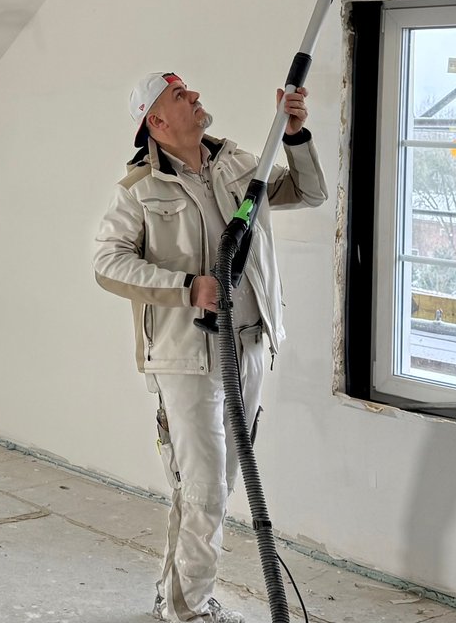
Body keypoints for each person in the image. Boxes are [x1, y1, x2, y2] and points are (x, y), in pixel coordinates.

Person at [93, 72, 328, 623]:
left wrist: (295, 132)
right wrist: (186, 287)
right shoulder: (139, 191)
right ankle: (189, 611)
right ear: (156, 121)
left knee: (214, 487)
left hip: (246, 345)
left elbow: (309, 192)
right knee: (203, 490)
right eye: (180, 96)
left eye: (191, 91)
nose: (196, 97)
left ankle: (174, 596)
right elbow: (107, 262)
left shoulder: (238, 163)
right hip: (185, 357)